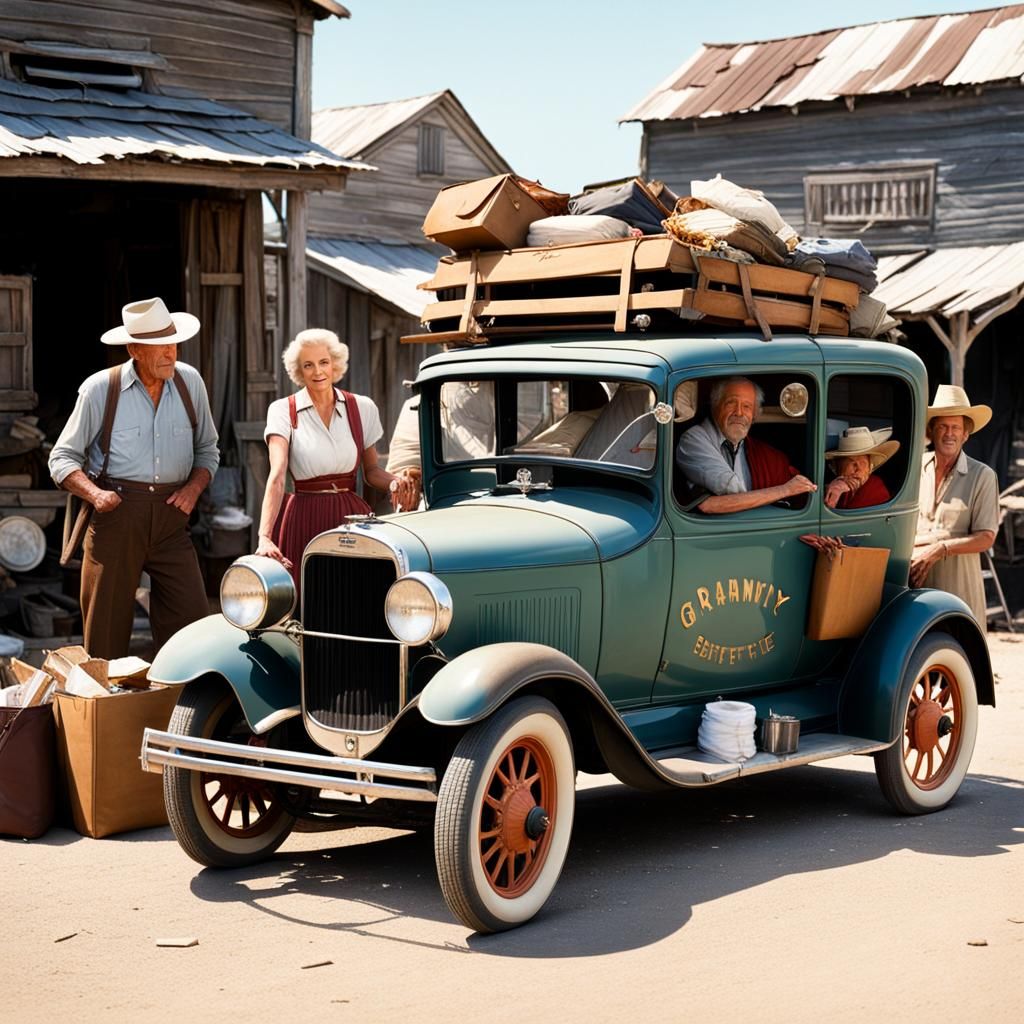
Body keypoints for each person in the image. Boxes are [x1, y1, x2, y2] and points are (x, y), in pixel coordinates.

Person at [49, 297, 220, 659]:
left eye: (173, 343)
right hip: (117, 514)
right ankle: (104, 713)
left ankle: (185, 709)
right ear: (134, 350)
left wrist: (193, 488)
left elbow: (209, 449)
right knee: (105, 632)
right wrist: (96, 496)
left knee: (192, 625)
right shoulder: (100, 388)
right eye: (160, 347)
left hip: (173, 518)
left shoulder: (190, 383)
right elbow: (61, 458)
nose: (171, 354)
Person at [256, 329, 409, 583]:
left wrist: (395, 482)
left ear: (335, 364)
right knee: (307, 596)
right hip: (303, 518)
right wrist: (264, 536)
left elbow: (371, 471)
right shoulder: (282, 410)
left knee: (356, 597)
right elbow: (277, 474)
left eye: (323, 362)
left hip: (352, 520)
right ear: (298, 371)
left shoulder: (362, 408)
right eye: (308, 365)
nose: (318, 372)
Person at [910, 384, 999, 629]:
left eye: (955, 427)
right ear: (932, 431)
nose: (949, 433)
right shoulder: (915, 467)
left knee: (957, 659)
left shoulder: (982, 475)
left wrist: (941, 548)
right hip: (914, 591)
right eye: (942, 426)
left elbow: (986, 538)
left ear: (965, 434)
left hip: (958, 591)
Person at [675, 376, 816, 513]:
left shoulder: (767, 456)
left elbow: (804, 492)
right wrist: (784, 490)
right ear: (715, 406)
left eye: (747, 406)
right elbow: (728, 490)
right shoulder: (693, 439)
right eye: (731, 403)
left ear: (754, 415)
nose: (739, 412)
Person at [387, 381, 496, 508]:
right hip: (442, 498)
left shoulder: (511, 406)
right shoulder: (419, 405)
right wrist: (409, 479)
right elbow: (404, 463)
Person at [823, 426, 899, 509]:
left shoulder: (875, 487)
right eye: (852, 463)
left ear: (870, 468)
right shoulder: (826, 482)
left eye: (863, 463)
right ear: (835, 467)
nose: (858, 469)